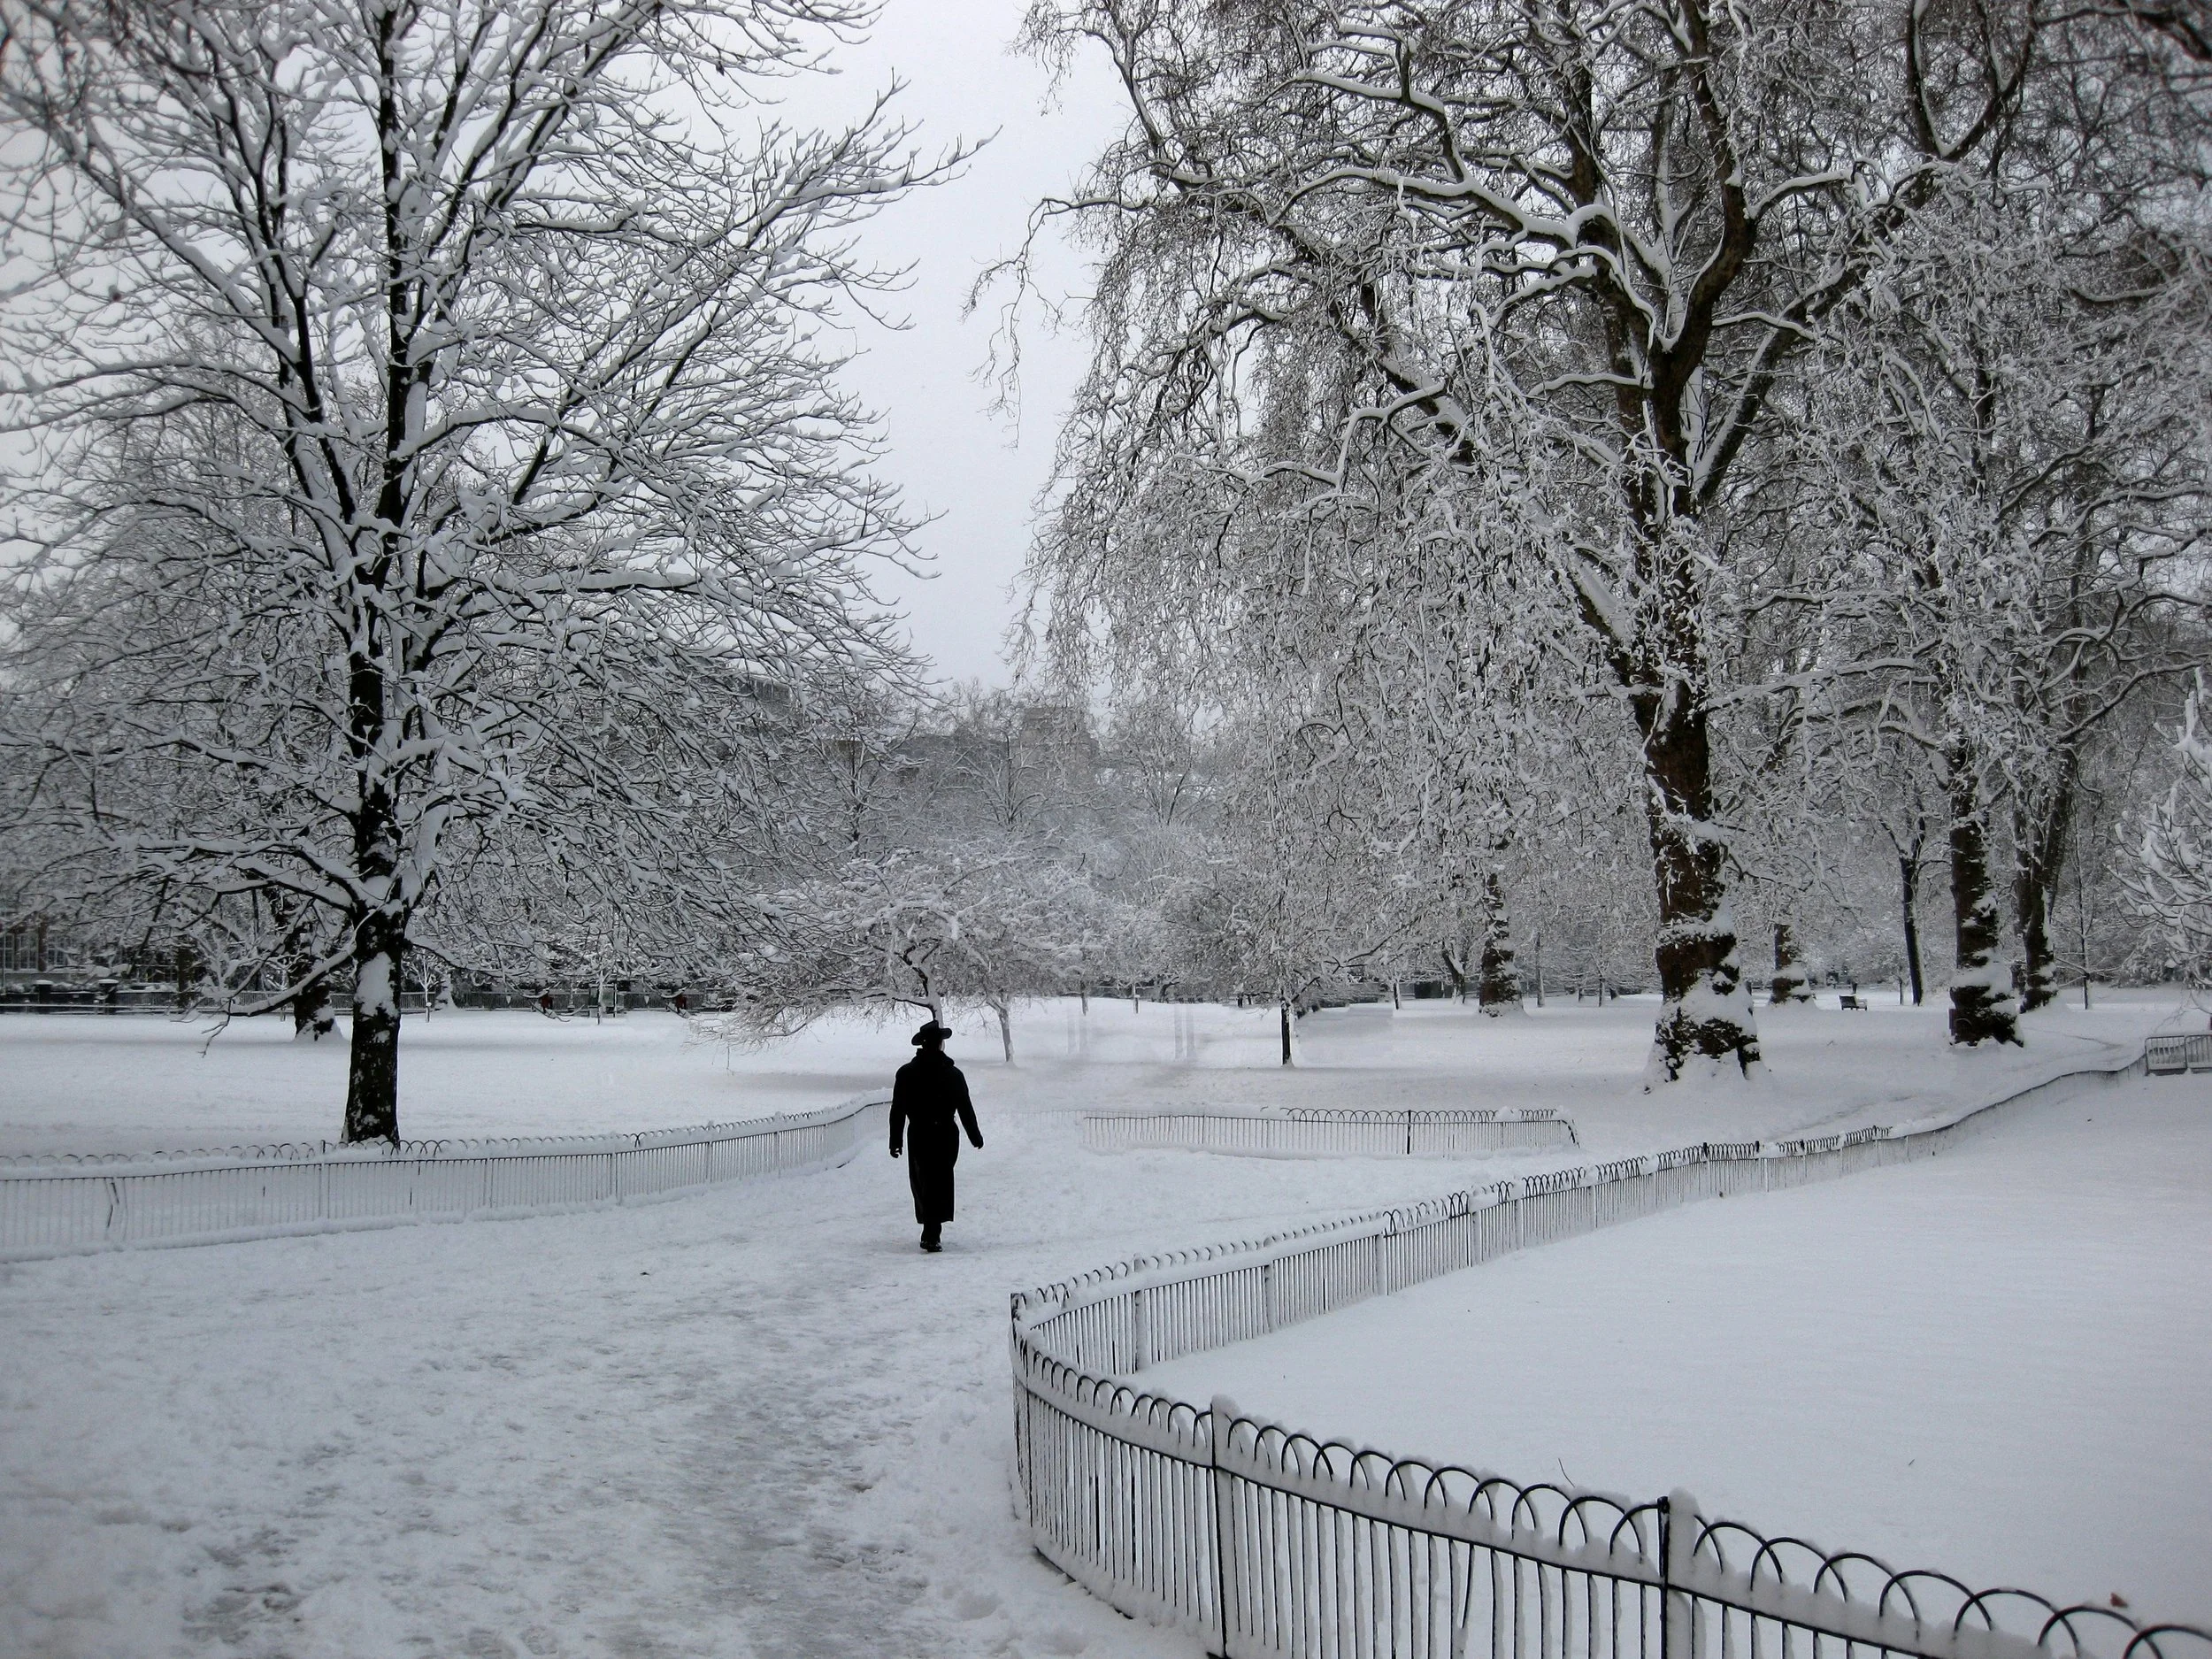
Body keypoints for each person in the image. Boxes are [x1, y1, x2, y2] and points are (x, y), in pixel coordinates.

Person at [888, 1019, 983, 1253]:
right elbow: (965, 1107)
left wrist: (896, 1141)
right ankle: (933, 1231)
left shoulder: (907, 1074)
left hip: (919, 1133)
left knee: (924, 1181)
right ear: (940, 1044)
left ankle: (930, 1231)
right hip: (945, 1134)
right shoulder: (952, 1074)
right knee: (939, 1180)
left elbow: (898, 1109)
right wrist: (974, 1135)